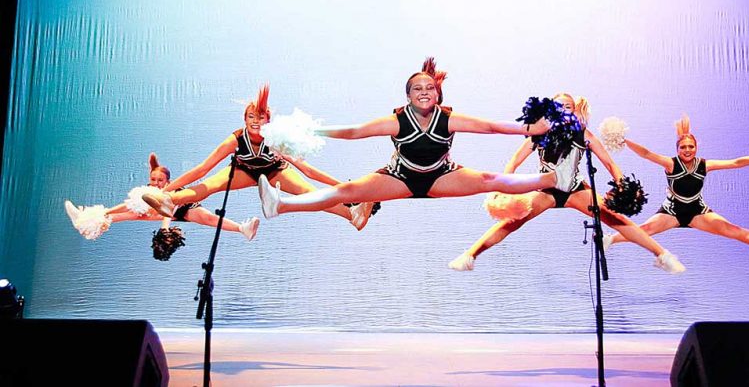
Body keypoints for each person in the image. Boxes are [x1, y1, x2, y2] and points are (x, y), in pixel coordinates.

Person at [253, 58, 586, 222]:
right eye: (417, 88)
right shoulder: (397, 120)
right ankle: (280, 204)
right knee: (349, 191)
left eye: (429, 88)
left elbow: (491, 128)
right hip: (401, 177)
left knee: (488, 179)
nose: (424, 92)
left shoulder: (449, 117)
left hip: (442, 177)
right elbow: (353, 132)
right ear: (409, 96)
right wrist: (310, 131)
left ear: (437, 93)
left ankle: (555, 178)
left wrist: (534, 129)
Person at [446, 93, 685, 274]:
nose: (563, 109)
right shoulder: (537, 135)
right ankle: (470, 256)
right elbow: (514, 162)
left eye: (568, 106)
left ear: (574, 111)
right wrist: (503, 190)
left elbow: (610, 164)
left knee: (616, 218)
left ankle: (662, 255)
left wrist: (621, 184)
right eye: (558, 106)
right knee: (512, 221)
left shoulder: (583, 135)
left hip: (574, 190)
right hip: (546, 190)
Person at [140, 85, 373, 230]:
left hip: (275, 170)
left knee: (309, 194)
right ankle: (170, 200)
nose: (255, 120)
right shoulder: (235, 139)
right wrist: (166, 191)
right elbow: (201, 169)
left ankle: (352, 215)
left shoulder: (276, 140)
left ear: (268, 120)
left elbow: (308, 170)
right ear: (244, 119)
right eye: (251, 116)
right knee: (209, 186)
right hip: (243, 171)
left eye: (260, 117)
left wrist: (347, 187)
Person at [604, 114, 749, 258]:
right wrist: (624, 140)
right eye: (683, 147)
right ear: (677, 149)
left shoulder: (705, 165)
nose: (687, 150)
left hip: (697, 211)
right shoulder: (671, 164)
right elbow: (646, 153)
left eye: (691, 147)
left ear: (696, 148)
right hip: (671, 212)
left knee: (733, 230)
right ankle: (609, 239)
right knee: (643, 230)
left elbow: (736, 162)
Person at [64, 153, 259, 241]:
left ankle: (242, 228)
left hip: (183, 209)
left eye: (160, 180)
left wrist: (164, 229)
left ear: (167, 181)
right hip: (161, 211)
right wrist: (108, 212)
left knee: (208, 218)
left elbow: (167, 211)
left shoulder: (170, 191)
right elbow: (128, 206)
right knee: (122, 213)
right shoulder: (147, 193)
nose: (156, 183)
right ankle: (85, 221)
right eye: (153, 179)